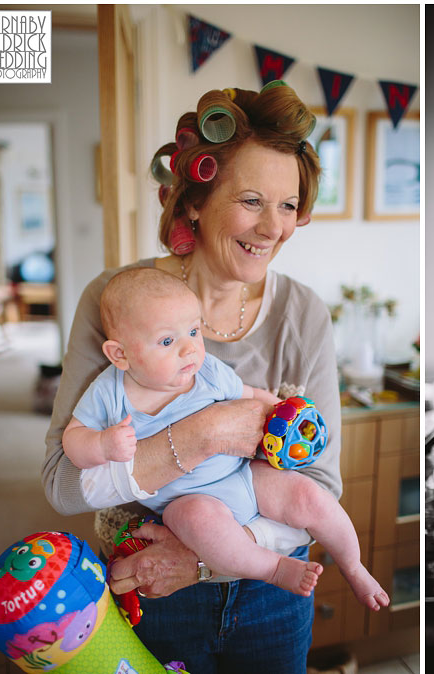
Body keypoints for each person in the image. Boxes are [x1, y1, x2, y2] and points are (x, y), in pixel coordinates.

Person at [42, 83, 344, 672]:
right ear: (195, 203)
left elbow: (323, 485)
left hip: (273, 598)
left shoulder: (303, 314)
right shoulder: (116, 302)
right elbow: (60, 481)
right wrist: (205, 433)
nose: (273, 228)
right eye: (252, 200)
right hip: (151, 596)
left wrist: (206, 560)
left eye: (288, 205)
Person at [62, 267, 388, 609]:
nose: (189, 350)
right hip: (188, 500)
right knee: (198, 524)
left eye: (193, 331)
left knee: (309, 496)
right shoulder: (108, 393)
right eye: (168, 341)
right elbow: (73, 441)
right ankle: (273, 568)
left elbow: (248, 392)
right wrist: (101, 446)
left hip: (244, 475)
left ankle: (353, 564)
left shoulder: (207, 371)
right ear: (120, 354)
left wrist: (280, 406)